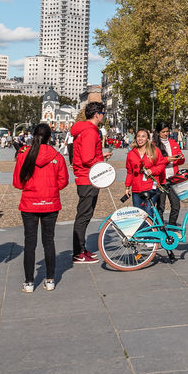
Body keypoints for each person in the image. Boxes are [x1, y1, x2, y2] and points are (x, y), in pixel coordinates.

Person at [13, 123, 68, 292]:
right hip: (50, 203)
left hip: (30, 202)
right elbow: (63, 181)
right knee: (48, 241)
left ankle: (29, 282)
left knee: (30, 242)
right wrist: (50, 187)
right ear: (50, 138)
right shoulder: (57, 157)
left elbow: (17, 182)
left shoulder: (24, 155)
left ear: (33, 136)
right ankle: (50, 279)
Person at [69, 102, 110, 265]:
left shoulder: (85, 130)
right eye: (103, 113)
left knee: (85, 214)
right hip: (88, 178)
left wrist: (101, 155)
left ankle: (81, 249)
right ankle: (78, 252)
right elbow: (87, 159)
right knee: (84, 215)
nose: (104, 116)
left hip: (86, 176)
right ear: (96, 114)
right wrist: (101, 160)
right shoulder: (90, 132)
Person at [124, 129, 166, 215]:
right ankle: (144, 228)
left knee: (148, 212)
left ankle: (150, 229)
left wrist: (152, 170)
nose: (140, 138)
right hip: (137, 189)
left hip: (151, 187)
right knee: (138, 214)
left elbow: (161, 165)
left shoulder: (154, 151)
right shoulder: (131, 154)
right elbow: (129, 172)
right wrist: (127, 187)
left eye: (143, 136)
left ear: (147, 138)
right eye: (138, 136)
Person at [154, 121, 185, 227]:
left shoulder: (173, 143)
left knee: (176, 205)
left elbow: (181, 159)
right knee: (160, 206)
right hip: (161, 179)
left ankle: (172, 226)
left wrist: (180, 158)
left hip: (173, 178)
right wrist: (167, 159)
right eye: (163, 132)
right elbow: (154, 162)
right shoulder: (154, 145)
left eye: (167, 131)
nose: (166, 134)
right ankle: (160, 228)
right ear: (158, 132)